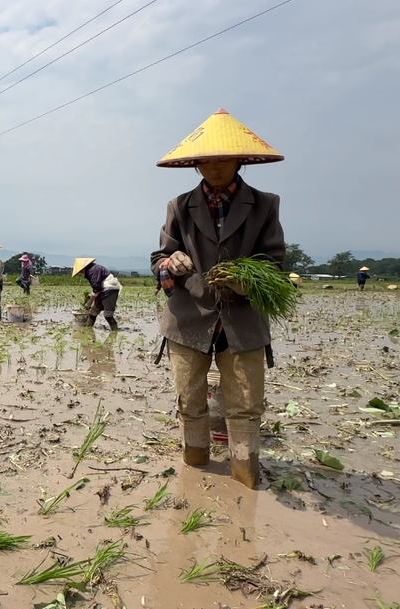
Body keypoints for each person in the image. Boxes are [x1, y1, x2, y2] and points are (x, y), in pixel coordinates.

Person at [150, 108, 285, 489]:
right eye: (206, 160)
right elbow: (159, 257)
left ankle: (244, 477)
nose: (215, 167)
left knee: (244, 405)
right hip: (189, 316)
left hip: (242, 318)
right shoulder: (180, 206)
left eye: (223, 158)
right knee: (189, 399)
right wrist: (170, 262)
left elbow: (274, 265)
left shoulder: (265, 205)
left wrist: (247, 282)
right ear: (196, 165)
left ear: (239, 160)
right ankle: (194, 471)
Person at [73, 257, 122, 331]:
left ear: (83, 268)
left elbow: (97, 288)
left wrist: (89, 303)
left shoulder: (93, 270)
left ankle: (115, 333)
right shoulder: (93, 269)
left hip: (109, 290)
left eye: (80, 271)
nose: (81, 273)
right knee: (93, 312)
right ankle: (88, 331)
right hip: (103, 291)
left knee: (108, 315)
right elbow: (97, 288)